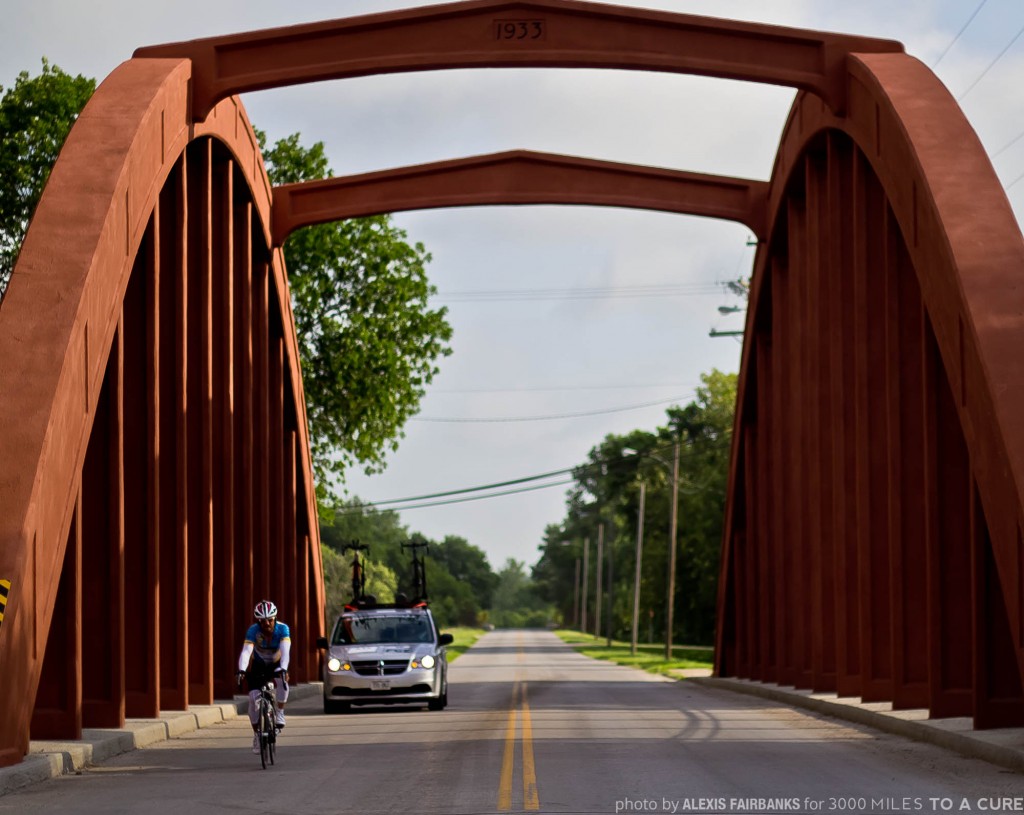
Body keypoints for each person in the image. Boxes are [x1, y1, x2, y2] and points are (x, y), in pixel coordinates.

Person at [236, 600, 291, 754]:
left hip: (277, 662)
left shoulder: (282, 629)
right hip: (259, 665)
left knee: (282, 678)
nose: (266, 624)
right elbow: (246, 651)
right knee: (253, 698)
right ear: (258, 621)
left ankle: (280, 712)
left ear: (275, 618)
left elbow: (286, 652)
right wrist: (241, 669)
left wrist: (284, 668)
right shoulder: (253, 631)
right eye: (262, 621)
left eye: (270, 620)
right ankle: (256, 735)